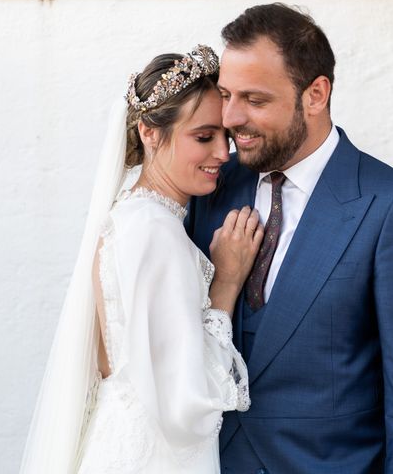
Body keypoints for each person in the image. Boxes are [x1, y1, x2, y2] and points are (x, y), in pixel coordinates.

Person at [186, 4, 393, 473]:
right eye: (226, 95)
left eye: (255, 100)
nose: (231, 117)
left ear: (316, 94)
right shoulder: (208, 189)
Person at [20, 45, 263, 474]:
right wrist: (225, 282)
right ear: (150, 133)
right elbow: (186, 402)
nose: (224, 154)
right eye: (204, 137)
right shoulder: (155, 231)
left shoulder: (131, 215)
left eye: (225, 136)